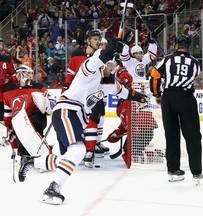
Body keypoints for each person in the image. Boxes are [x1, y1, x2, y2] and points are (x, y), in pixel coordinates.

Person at [18, 38, 148, 205]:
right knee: (78, 149)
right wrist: (108, 49)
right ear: (103, 65)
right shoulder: (88, 71)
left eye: (113, 66)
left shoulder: (105, 85)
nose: (112, 68)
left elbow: (126, 93)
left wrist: (143, 99)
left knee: (71, 156)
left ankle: (33, 162)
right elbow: (96, 59)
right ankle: (53, 187)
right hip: (67, 110)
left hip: (75, 116)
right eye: (110, 65)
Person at [149, 35, 203, 183]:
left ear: (176, 45)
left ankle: (173, 170)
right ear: (189, 46)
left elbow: (154, 75)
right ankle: (197, 171)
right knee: (193, 135)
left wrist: (157, 94)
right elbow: (196, 77)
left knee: (172, 135)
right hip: (186, 98)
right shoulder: (195, 62)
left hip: (169, 97)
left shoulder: (167, 60)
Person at [62, 29, 110, 166]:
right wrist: (66, 86)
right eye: (95, 39)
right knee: (85, 121)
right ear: (88, 41)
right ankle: (86, 147)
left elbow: (105, 73)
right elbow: (70, 73)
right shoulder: (77, 54)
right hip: (80, 94)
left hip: (95, 92)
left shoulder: (99, 55)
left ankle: (95, 144)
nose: (98, 41)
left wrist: (107, 69)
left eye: (98, 39)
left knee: (99, 118)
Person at [107, 66, 158, 166]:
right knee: (127, 150)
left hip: (144, 131)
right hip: (134, 132)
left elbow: (127, 78)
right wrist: (116, 134)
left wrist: (124, 78)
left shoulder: (134, 96)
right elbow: (124, 123)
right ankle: (150, 154)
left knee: (129, 152)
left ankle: (150, 155)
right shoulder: (120, 106)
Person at [3, 64, 55, 157]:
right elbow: (8, 113)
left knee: (34, 122)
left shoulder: (38, 87)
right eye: (26, 74)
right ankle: (27, 157)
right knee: (23, 149)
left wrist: (45, 104)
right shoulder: (8, 91)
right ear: (19, 75)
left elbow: (52, 104)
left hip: (35, 119)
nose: (30, 76)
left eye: (30, 74)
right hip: (19, 124)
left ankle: (43, 155)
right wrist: (8, 129)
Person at [0, 37, 17, 124]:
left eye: (1, 43)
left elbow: (15, 75)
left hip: (5, 97)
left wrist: (8, 79)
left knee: (5, 123)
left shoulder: (8, 59)